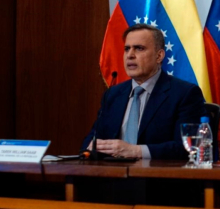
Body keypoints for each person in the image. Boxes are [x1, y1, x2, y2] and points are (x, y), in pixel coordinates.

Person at [82, 24, 206, 159]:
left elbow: (186, 147)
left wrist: (136, 151)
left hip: (157, 177)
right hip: (112, 175)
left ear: (159, 56)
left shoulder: (184, 94)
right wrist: (91, 147)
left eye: (139, 48)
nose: (130, 55)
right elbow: (89, 142)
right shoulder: (113, 95)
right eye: (126, 49)